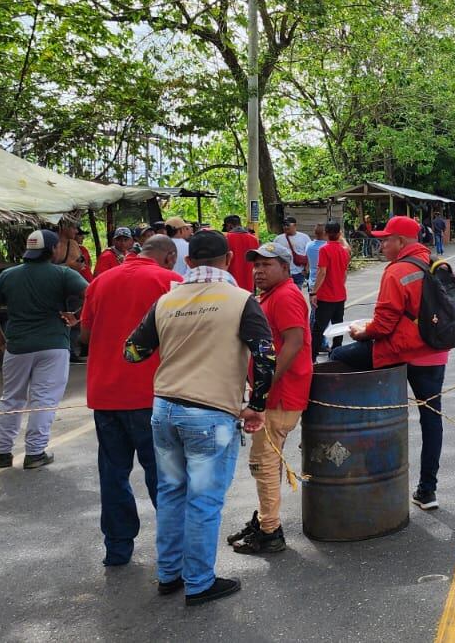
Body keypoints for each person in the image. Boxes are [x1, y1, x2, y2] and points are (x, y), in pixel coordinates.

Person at [123, 230, 275, 605]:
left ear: (187, 262)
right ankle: (199, 582)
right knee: (204, 501)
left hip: (164, 410)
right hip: (209, 414)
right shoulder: (241, 301)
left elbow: (133, 352)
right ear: (228, 261)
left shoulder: (166, 301)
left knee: (171, 492)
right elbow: (266, 356)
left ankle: (169, 574)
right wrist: (256, 404)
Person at [330, 216, 447, 511]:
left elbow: (382, 326)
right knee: (431, 419)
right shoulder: (439, 265)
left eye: (385, 240)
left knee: (338, 357)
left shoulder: (397, 272)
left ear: (402, 242)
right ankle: (427, 490)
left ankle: (373, 476)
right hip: (435, 354)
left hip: (399, 352)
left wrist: (360, 331)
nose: (381, 245)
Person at [79, 235, 178, 567]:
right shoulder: (170, 281)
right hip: (152, 394)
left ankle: (117, 549)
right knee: (163, 474)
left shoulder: (101, 281)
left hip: (106, 395)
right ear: (169, 257)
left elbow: (85, 336)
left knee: (113, 473)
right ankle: (173, 550)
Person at [227, 243, 313, 555]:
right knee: (267, 462)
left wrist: (263, 387)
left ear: (285, 268)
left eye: (267, 265)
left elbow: (294, 342)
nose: (259, 271)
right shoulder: (271, 295)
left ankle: (270, 530)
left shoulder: (286, 296)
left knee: (263, 462)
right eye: (256, 265)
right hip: (275, 392)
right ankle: (265, 519)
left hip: (280, 394)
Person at [0, 229, 88, 469]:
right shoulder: (63, 274)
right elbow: (93, 294)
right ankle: (35, 452)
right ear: (53, 250)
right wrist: (77, 317)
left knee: (11, 398)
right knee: (44, 399)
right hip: (53, 345)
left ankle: (1, 452)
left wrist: (0, 342)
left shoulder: (9, 275)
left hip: (17, 346)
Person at [310, 220, 350, 359]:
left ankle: (312, 357)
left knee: (318, 328)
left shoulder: (324, 249)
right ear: (339, 234)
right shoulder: (344, 251)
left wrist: (314, 291)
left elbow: (322, 272)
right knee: (338, 326)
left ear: (326, 234)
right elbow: (344, 273)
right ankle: (336, 354)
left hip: (326, 296)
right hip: (340, 295)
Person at [271, 216, 313, 290]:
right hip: (283, 272)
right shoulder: (278, 239)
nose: (285, 227)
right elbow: (273, 254)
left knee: (296, 293)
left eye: (288, 225)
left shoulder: (304, 237)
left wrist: (306, 269)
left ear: (295, 225)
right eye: (284, 225)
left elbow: (309, 254)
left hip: (298, 272)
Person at [222, 215, 259, 291]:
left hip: (231, 284)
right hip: (250, 284)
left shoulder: (226, 238)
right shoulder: (254, 239)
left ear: (230, 225)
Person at [305, 224, 325, 290]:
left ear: (314, 232)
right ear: (325, 233)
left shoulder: (308, 245)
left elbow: (307, 261)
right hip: (324, 281)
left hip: (312, 281)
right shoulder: (327, 246)